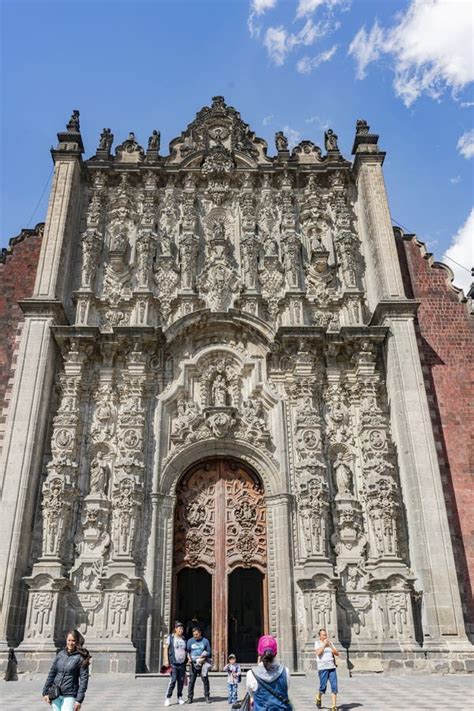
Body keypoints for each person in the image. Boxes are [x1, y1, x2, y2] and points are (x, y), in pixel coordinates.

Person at [42, 629, 90, 711]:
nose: (70, 643)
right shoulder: (61, 654)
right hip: (55, 693)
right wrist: (45, 692)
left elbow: (84, 680)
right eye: (69, 640)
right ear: (66, 640)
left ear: (77, 642)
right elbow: (52, 673)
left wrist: (79, 700)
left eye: (73, 641)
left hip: (70, 695)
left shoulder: (81, 658)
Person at [246, 635, 291, 710]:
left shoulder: (251, 674)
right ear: (275, 653)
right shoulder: (285, 671)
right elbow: (286, 689)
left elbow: (252, 695)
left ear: (259, 652)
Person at [163, 621, 187, 706]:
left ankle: (179, 697)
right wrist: (166, 660)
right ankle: (168, 698)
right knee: (173, 680)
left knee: (181, 681)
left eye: (182, 628)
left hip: (182, 663)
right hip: (173, 663)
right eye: (179, 628)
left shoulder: (183, 639)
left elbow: (185, 650)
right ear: (175, 629)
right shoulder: (171, 637)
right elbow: (166, 648)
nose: (181, 630)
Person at [186, 626, 212, 704]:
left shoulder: (205, 641)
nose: (195, 636)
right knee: (191, 681)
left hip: (203, 664)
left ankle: (207, 697)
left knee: (205, 680)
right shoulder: (190, 641)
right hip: (193, 664)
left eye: (196, 634)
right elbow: (187, 651)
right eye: (194, 634)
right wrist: (189, 659)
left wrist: (203, 658)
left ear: (200, 633)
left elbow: (209, 652)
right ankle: (190, 698)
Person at [315, 628, 339, 711]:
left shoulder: (330, 643)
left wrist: (331, 646)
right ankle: (319, 696)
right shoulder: (317, 643)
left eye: (326, 635)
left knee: (334, 686)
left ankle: (334, 706)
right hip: (323, 668)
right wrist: (324, 645)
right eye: (323, 635)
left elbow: (337, 653)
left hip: (332, 667)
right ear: (320, 636)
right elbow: (318, 653)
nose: (325, 636)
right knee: (323, 686)